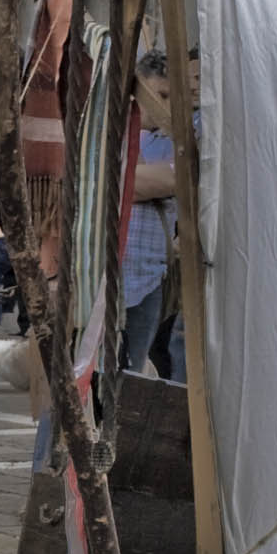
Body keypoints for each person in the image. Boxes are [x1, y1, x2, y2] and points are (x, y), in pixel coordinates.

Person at [119, 49, 183, 379]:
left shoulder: (177, 139)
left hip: (149, 273)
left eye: (172, 97)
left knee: (132, 368)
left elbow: (178, 177)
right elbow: (131, 184)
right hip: (110, 271)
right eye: (159, 95)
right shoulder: (113, 129)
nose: (165, 106)